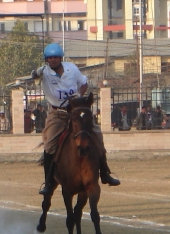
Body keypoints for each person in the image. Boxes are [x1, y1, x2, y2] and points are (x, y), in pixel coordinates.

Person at [31, 43, 120, 195]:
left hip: (76, 111)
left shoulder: (71, 68)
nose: (53, 60)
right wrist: (36, 73)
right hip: (57, 114)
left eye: (56, 57)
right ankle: (48, 182)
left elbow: (84, 83)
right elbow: (35, 75)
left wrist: (79, 95)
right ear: (46, 59)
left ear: (61, 58)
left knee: (97, 135)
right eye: (50, 58)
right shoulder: (44, 72)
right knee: (49, 144)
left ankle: (105, 173)